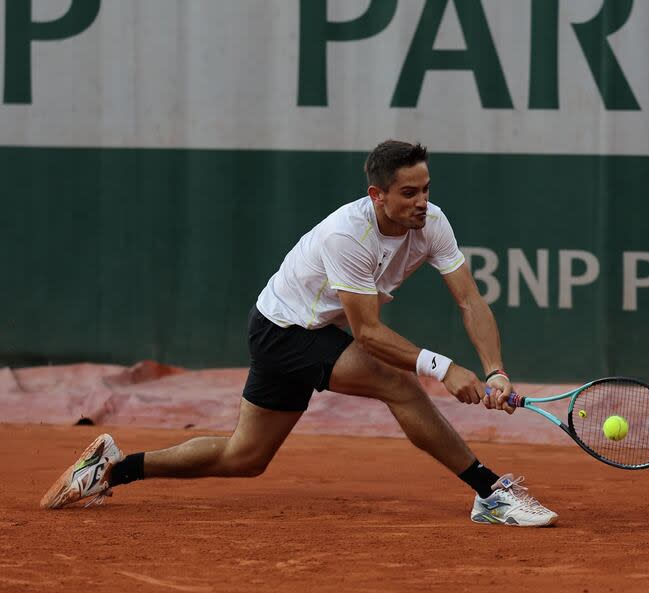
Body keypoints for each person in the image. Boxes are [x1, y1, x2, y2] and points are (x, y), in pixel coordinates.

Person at [40, 140, 557, 527]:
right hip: (284, 331)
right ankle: (490, 494)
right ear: (377, 195)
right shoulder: (347, 235)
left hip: (305, 328)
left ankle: (111, 469)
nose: (421, 201)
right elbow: (370, 334)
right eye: (408, 192)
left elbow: (470, 299)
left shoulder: (433, 222)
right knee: (398, 384)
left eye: (425, 189)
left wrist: (494, 369)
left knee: (245, 457)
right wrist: (443, 368)